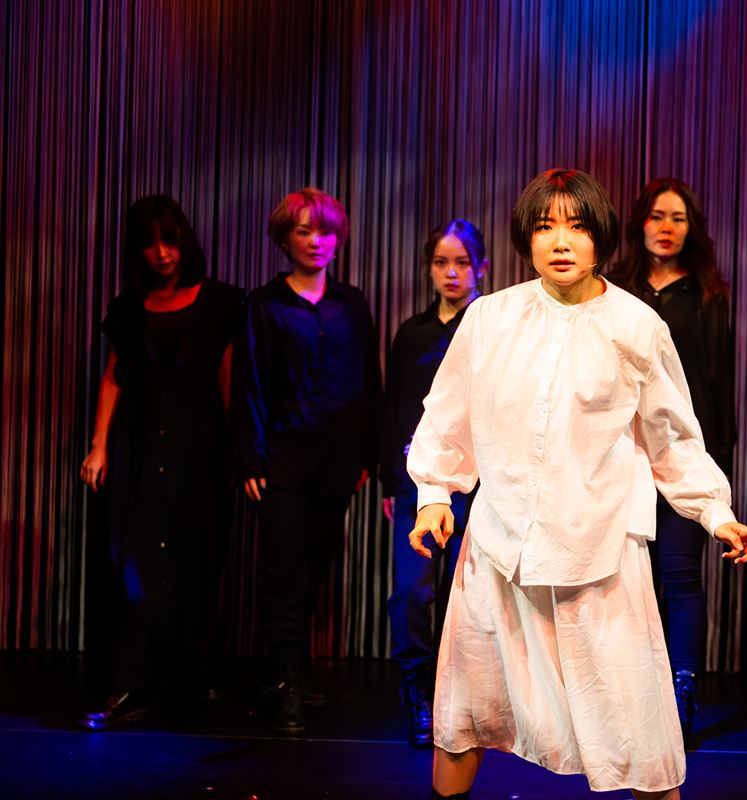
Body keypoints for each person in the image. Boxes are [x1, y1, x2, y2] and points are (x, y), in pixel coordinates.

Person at [407, 168, 747, 800]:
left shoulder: (636, 326)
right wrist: (434, 497)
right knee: (465, 717)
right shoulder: (490, 318)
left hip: (597, 555)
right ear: (526, 237)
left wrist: (716, 512)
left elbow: (672, 438)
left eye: (576, 226)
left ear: (600, 235)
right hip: (500, 552)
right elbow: (446, 418)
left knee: (640, 731)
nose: (560, 241)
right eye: (545, 227)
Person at [79, 195, 244, 729]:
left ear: (185, 242)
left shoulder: (218, 302)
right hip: (139, 444)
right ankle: (131, 677)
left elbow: (227, 377)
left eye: (169, 241)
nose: (162, 253)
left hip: (197, 447)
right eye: (150, 244)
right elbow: (114, 376)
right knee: (133, 560)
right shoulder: (129, 307)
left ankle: (190, 672)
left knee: (195, 557)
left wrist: (236, 450)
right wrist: (99, 444)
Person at [233, 187, 383, 735]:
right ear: (284, 240)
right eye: (303, 231)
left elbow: (368, 382)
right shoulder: (263, 305)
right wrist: (250, 458)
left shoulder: (353, 304)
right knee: (283, 574)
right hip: (280, 462)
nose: (316, 241)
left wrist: (367, 454)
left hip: (337, 463)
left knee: (316, 568)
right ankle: (285, 681)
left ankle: (289, 672)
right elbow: (249, 384)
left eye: (325, 231)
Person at [609, 179, 735, 735]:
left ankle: (682, 693)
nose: (666, 227)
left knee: (681, 577)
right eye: (657, 216)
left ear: (691, 229)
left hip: (682, 455)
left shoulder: (706, 294)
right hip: (621, 456)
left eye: (678, 218)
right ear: (640, 223)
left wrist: (715, 463)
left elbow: (718, 384)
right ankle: (630, 695)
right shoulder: (614, 289)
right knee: (623, 578)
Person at [381, 220, 489, 747]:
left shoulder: (491, 328)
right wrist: (391, 479)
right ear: (428, 269)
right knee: (410, 591)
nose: (452, 273)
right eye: (442, 263)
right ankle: (416, 688)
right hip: (418, 482)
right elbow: (396, 407)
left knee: (463, 594)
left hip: (478, 484)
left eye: (462, 263)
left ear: (481, 268)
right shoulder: (413, 332)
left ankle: (456, 696)